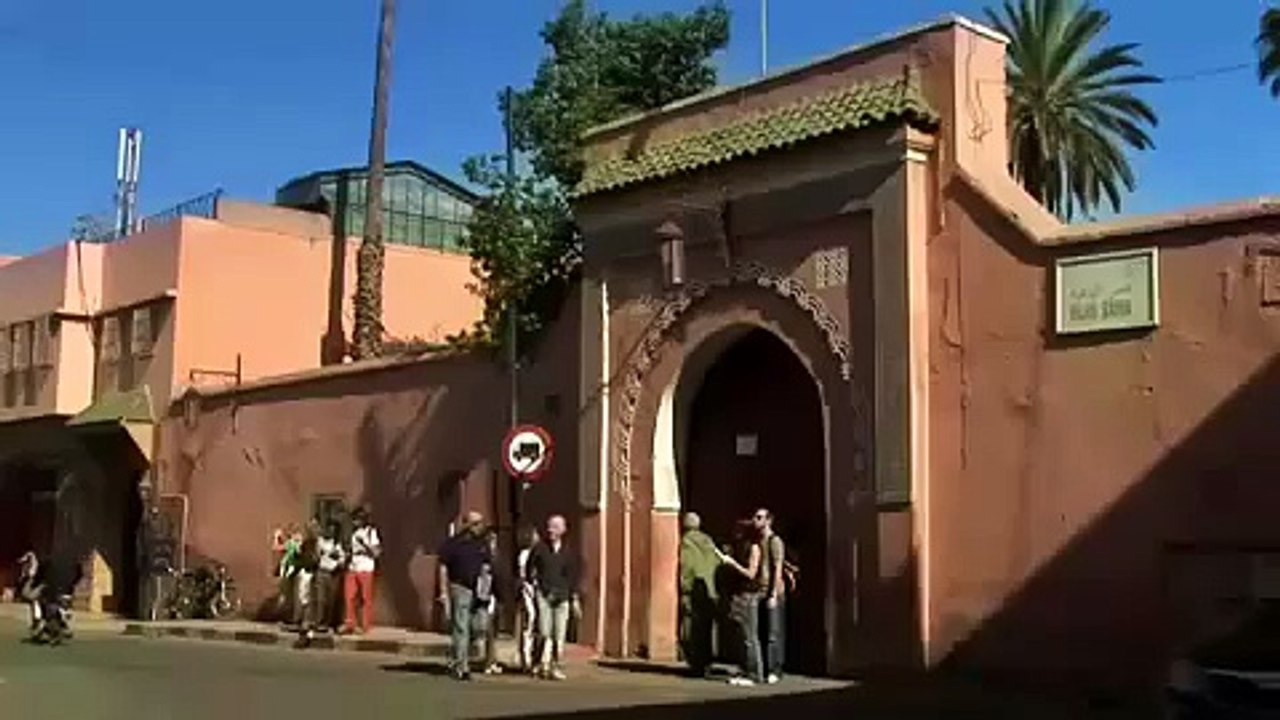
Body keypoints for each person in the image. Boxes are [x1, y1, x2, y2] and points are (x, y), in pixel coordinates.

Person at [437, 511, 493, 681]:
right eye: (476, 523)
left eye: (481, 523)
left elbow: (488, 565)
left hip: (479, 590)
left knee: (479, 625)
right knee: (461, 627)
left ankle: (459, 657)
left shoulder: (483, 543)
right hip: (460, 587)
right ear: (467, 525)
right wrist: (443, 591)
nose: (480, 526)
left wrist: (487, 586)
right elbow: (443, 567)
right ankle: (461, 665)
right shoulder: (453, 544)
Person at [527, 514, 581, 681]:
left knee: (559, 635)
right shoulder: (540, 548)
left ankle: (553, 666)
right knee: (544, 631)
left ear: (563, 530)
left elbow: (573, 575)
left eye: (555, 527)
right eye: (550, 526)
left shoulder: (569, 551)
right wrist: (533, 585)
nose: (551, 530)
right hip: (543, 594)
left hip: (562, 597)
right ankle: (537, 662)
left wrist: (573, 597)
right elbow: (529, 568)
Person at [717, 519, 764, 686]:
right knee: (742, 634)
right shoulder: (741, 548)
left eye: (740, 531)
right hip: (740, 593)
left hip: (749, 594)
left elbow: (751, 573)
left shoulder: (754, 548)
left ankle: (754, 673)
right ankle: (746, 669)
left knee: (750, 636)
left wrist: (732, 564)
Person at [679, 512, 720, 678]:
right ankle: (707, 661)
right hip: (711, 591)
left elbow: (687, 567)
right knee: (708, 628)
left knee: (691, 629)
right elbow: (717, 561)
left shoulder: (687, 541)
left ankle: (696, 663)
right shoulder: (708, 541)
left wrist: (684, 588)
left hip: (695, 592)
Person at [754, 508, 787, 684]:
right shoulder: (759, 541)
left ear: (768, 520)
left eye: (759, 517)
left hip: (773, 591)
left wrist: (773, 593)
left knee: (774, 632)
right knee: (764, 631)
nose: (755, 520)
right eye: (755, 517)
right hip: (761, 590)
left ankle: (776, 669)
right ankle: (767, 668)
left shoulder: (775, 541)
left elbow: (778, 567)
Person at [342, 508, 381, 634]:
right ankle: (350, 623)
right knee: (349, 596)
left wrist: (364, 544)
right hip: (353, 566)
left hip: (366, 567)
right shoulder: (352, 533)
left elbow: (376, 552)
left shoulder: (371, 532)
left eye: (356, 519)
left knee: (366, 597)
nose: (354, 522)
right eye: (353, 520)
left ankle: (365, 625)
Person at [516, 526, 541, 673]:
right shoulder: (524, 555)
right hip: (528, 591)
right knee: (529, 624)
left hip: (536, 591)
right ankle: (526, 658)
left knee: (536, 625)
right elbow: (523, 575)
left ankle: (533, 658)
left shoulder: (538, 553)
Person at [17, 551, 44, 632]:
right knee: (34, 601)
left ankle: (37, 619)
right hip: (35, 579)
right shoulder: (32, 558)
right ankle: (37, 619)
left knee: (32, 599)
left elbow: (24, 560)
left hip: (34, 579)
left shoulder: (31, 555)